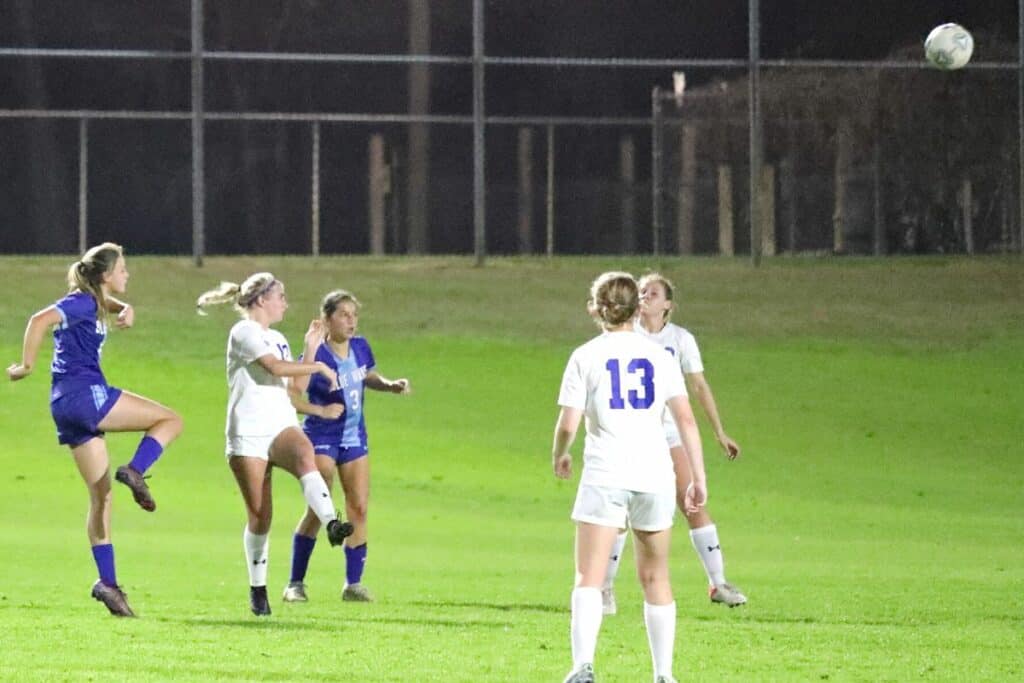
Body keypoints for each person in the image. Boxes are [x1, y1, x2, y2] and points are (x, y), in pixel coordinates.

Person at [7, 242, 183, 617]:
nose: (127, 275)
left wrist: (126, 306)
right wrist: (25, 366)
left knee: (101, 496)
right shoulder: (82, 303)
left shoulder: (92, 300)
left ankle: (109, 585)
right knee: (170, 420)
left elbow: (104, 304)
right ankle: (135, 469)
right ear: (105, 275)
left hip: (64, 407)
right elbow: (40, 319)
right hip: (86, 395)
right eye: (122, 269)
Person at [553, 271, 707, 683]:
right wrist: (698, 477)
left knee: (589, 576)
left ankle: (583, 667)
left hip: (605, 473)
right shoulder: (660, 356)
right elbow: (686, 420)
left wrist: (561, 455)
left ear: (596, 309)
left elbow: (569, 422)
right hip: (655, 474)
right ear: (638, 309)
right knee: (656, 577)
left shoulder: (586, 355)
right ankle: (663, 675)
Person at [196, 273, 354, 616]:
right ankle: (258, 589)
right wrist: (319, 364)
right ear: (261, 300)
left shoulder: (279, 338)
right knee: (260, 515)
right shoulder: (244, 332)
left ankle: (331, 523)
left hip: (280, 422)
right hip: (248, 432)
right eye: (280, 296)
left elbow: (294, 388)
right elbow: (273, 366)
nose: (285, 302)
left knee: (303, 452)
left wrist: (310, 346)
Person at [600, 272, 747, 613]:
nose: (645, 296)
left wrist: (719, 431)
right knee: (617, 510)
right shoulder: (625, 334)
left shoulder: (679, 340)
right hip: (631, 433)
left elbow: (698, 387)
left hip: (667, 434)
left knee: (692, 501)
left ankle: (718, 582)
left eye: (653, 292)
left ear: (668, 304)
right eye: (641, 291)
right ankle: (605, 588)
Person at [282, 289, 411, 604]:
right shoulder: (315, 357)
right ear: (326, 319)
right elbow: (292, 397)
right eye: (344, 315)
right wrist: (322, 411)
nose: (351, 321)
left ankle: (352, 584)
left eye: (354, 315)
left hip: (355, 437)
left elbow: (366, 376)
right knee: (319, 505)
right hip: (321, 435)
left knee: (359, 507)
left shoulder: (361, 347)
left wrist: (389, 385)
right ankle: (295, 584)